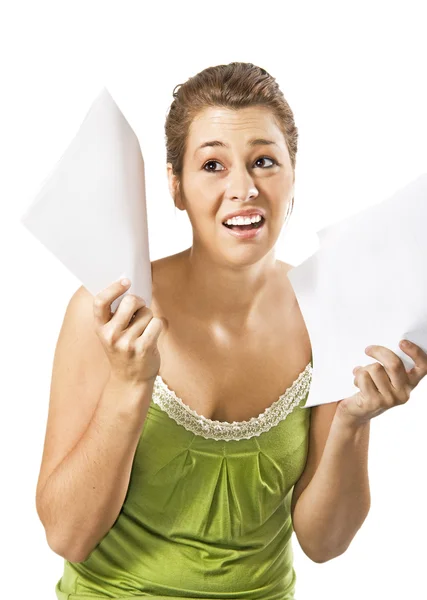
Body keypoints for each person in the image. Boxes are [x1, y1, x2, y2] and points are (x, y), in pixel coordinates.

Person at [36, 62, 426, 600]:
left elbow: (324, 542)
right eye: (213, 165)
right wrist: (129, 386)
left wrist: (354, 424)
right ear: (176, 185)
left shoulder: (329, 310)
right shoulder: (110, 314)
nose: (243, 188)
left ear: (293, 176)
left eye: (264, 161)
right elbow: (68, 535)